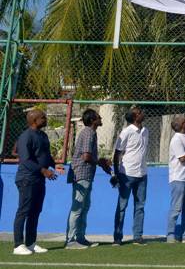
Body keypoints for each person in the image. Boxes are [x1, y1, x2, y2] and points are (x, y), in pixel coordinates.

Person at [12, 109, 64, 255]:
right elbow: (26, 159)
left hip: (39, 180)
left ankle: (31, 243)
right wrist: (43, 170)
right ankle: (18, 245)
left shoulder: (43, 135)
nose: (46, 119)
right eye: (43, 117)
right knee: (24, 210)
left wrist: (54, 165)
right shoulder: (26, 136)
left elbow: (45, 155)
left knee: (35, 211)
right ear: (34, 121)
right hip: (26, 179)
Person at [65, 109, 112, 250]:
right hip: (82, 174)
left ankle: (80, 237)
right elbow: (86, 156)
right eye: (98, 117)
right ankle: (71, 240)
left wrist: (100, 162)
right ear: (92, 120)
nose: (101, 118)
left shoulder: (91, 133)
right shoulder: (88, 133)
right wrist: (100, 162)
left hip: (86, 174)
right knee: (78, 207)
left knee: (84, 207)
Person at [113, 107, 150, 246]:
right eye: (140, 112)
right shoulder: (126, 132)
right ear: (135, 117)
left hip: (142, 174)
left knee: (140, 206)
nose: (142, 113)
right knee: (122, 206)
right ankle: (117, 237)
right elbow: (117, 154)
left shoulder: (146, 131)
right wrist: (116, 173)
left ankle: (138, 236)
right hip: (127, 174)